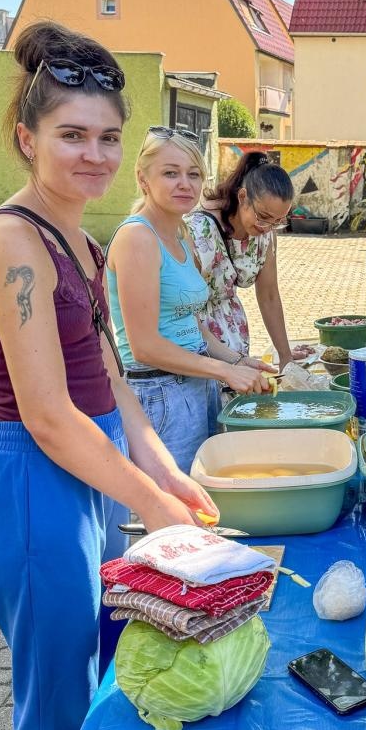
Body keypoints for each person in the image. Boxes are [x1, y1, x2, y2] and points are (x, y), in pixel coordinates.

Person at [0, 22, 219, 730]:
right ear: (26, 136)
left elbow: (113, 391)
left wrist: (169, 478)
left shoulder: (80, 241)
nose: (96, 154)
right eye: (73, 135)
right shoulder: (14, 241)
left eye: (109, 137)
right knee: (63, 684)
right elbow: (49, 414)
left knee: (74, 666)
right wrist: (153, 508)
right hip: (35, 487)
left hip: (85, 478)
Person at [106, 128, 273, 473]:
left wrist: (240, 360)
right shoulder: (137, 237)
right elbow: (144, 346)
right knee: (177, 510)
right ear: (143, 178)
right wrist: (225, 371)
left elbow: (194, 325)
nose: (185, 183)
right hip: (159, 394)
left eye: (193, 174)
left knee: (202, 500)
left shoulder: (181, 234)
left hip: (196, 385)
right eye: (171, 173)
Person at [188, 150, 312, 368]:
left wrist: (286, 357)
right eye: (263, 217)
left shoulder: (265, 233)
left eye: (278, 221)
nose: (267, 228)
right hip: (201, 353)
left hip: (237, 353)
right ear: (243, 197)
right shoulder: (198, 232)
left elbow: (269, 296)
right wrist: (231, 362)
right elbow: (185, 311)